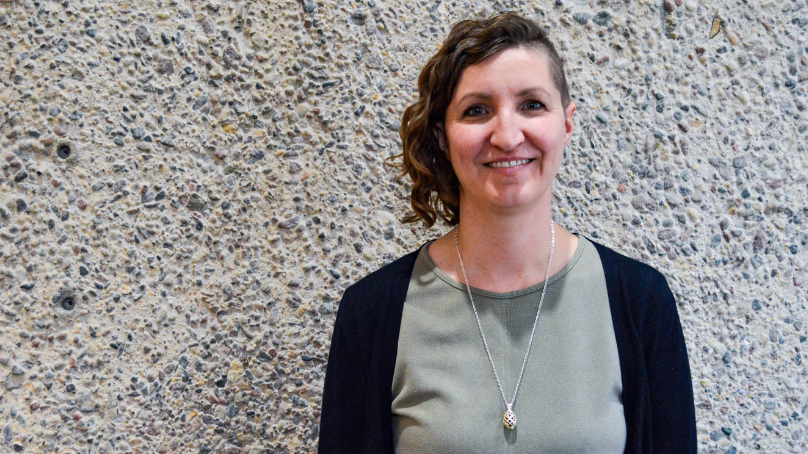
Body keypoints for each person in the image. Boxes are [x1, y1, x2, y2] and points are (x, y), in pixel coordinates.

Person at [319, 12, 696, 454]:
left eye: (532, 104)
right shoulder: (373, 312)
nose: (507, 135)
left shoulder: (640, 303)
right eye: (477, 110)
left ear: (567, 123)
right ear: (443, 135)